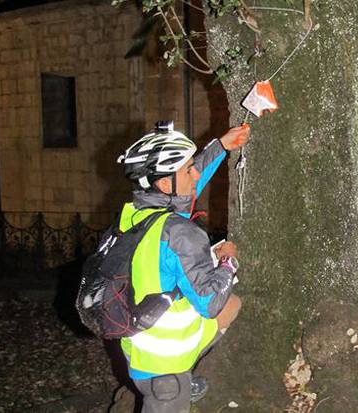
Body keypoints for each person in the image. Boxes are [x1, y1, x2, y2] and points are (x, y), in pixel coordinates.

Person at [115, 120, 250, 413]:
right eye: (187, 169)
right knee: (223, 303)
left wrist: (222, 145)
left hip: (135, 346)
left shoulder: (135, 215)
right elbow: (210, 303)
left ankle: (182, 380)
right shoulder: (182, 234)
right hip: (165, 369)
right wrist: (228, 261)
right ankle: (181, 385)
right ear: (165, 184)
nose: (195, 174)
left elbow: (190, 184)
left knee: (234, 305)